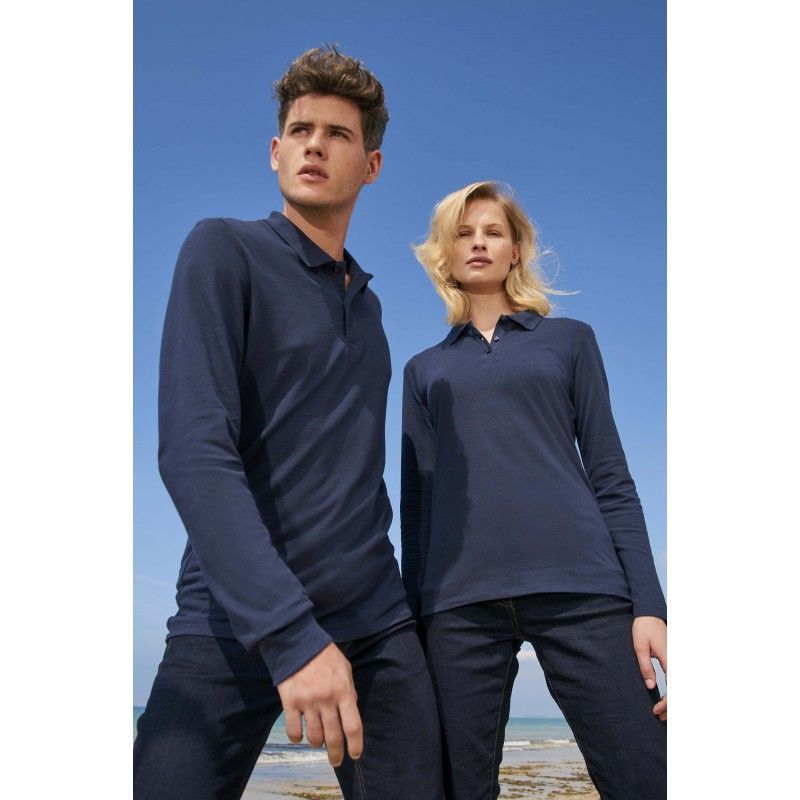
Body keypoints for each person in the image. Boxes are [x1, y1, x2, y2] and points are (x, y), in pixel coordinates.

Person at [134, 47, 443, 800]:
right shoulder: (223, 249)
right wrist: (290, 634)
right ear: (275, 151)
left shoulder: (369, 310)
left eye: (338, 134)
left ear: (371, 165)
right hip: (233, 617)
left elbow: (360, 473)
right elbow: (193, 451)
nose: (315, 145)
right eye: (301, 130)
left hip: (374, 623)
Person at [401, 180, 667, 800]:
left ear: (516, 249)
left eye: (493, 232)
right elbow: (419, 508)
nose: (478, 243)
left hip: (582, 588)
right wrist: (414, 625)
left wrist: (649, 605)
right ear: (445, 253)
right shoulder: (422, 370)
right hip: (458, 607)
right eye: (463, 234)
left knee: (645, 774)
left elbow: (611, 474)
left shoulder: (570, 340)